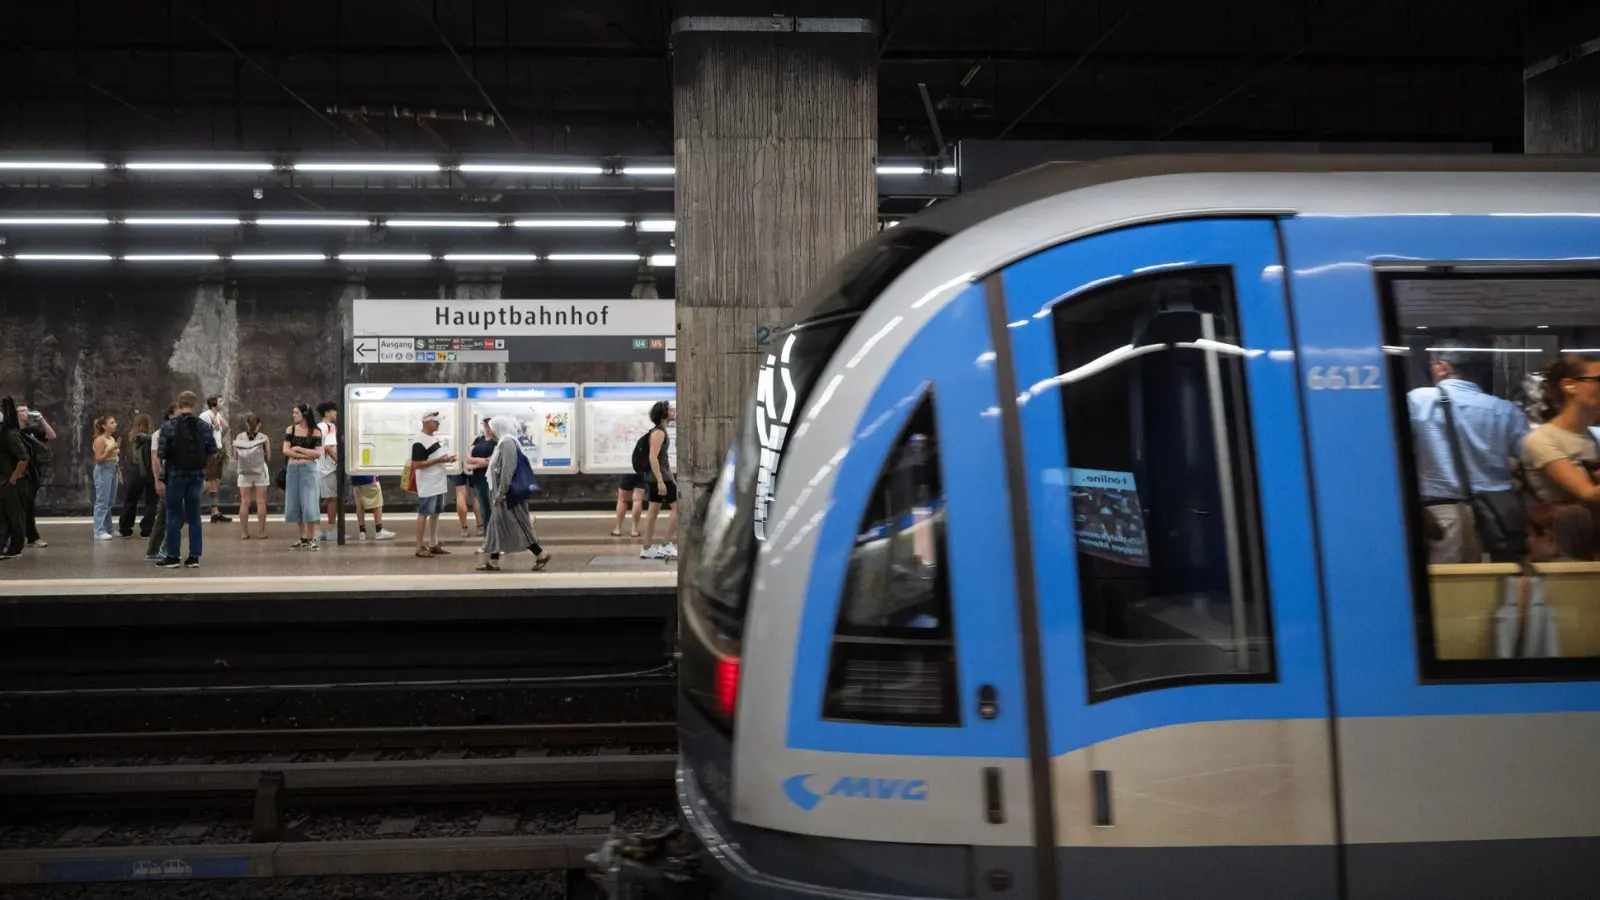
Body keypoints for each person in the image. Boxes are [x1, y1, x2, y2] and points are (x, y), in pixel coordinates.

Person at [1405, 342, 1531, 564]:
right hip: (1498, 516)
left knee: (1452, 582)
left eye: (1432, 363)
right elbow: (1528, 459)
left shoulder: (1417, 401)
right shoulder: (1505, 410)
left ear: (1444, 367)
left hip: (1441, 515)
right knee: (1496, 579)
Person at [1522, 354, 1600, 561]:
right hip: (1562, 552)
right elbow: (1587, 493)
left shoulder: (1590, 437)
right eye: (1597, 380)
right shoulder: (1542, 439)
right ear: (1569, 386)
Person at [476, 415, 551, 572]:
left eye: (492, 428)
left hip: (508, 495)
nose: (490, 431)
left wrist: (501, 493)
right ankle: (493, 561)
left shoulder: (508, 443)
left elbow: (507, 470)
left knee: (517, 525)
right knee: (497, 525)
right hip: (503, 494)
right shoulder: (503, 443)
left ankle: (541, 554)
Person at [153, 391, 217, 569]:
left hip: (175, 475)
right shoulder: (204, 426)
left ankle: (173, 557)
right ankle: (194, 557)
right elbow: (213, 449)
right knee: (194, 516)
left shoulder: (169, 426)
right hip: (196, 475)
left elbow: (161, 453)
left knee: (173, 515)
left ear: (179, 404)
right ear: (194, 405)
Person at [410, 410, 457, 558]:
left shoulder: (432, 438)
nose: (438, 423)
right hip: (428, 484)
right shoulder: (419, 441)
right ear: (426, 422)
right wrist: (439, 460)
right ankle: (419, 546)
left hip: (438, 482)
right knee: (424, 513)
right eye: (435, 421)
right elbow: (417, 464)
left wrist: (446, 460)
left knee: (436, 514)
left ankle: (433, 543)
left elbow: (433, 457)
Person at [639, 400, 679, 560]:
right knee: (679, 508)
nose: (673, 411)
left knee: (653, 511)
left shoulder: (660, 431)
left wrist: (671, 478)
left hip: (660, 476)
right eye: (670, 409)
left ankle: (647, 548)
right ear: (663, 414)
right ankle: (666, 544)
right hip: (659, 477)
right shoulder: (659, 433)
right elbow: (653, 458)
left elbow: (663, 458)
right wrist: (661, 481)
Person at [282, 403, 324, 550]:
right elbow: (286, 450)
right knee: (295, 503)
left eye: (296, 413)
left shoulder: (315, 432)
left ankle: (312, 538)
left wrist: (299, 449)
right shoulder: (291, 429)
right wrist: (306, 455)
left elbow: (318, 453)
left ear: (304, 414)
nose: (293, 415)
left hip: (308, 470)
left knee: (309, 503)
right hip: (293, 469)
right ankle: (303, 538)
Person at [14, 404, 53, 549]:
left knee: (28, 505)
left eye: (27, 410)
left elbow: (51, 435)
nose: (26, 412)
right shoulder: (10, 432)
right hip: (14, 473)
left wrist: (41, 420)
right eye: (22, 410)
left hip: (31, 473)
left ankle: (32, 537)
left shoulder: (31, 430)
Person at [0, 397, 30, 561]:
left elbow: (24, 458)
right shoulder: (5, 433)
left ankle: (15, 547)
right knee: (4, 516)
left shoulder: (11, 434)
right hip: (5, 481)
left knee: (14, 516)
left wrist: (13, 478)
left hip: (13, 482)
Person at [233, 413, 272, 540]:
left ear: (246, 424)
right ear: (259, 424)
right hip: (260, 471)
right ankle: (261, 532)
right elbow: (268, 457)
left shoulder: (239, 437)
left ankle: (244, 533)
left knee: (244, 502)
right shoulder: (264, 437)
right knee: (261, 501)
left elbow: (235, 457)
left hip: (244, 472)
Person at [120, 413, 158, 539]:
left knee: (130, 501)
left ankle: (125, 529)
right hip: (151, 472)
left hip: (134, 473)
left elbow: (124, 456)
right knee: (151, 502)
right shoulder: (153, 438)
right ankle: (146, 530)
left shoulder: (129, 438)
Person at [145, 405, 176, 561]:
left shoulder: (180, 432)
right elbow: (155, 459)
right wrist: (158, 481)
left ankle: (159, 549)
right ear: (170, 415)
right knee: (166, 515)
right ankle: (160, 549)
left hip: (177, 478)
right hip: (169, 478)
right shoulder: (159, 434)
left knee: (169, 514)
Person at [198, 395, 231, 523]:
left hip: (217, 450)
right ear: (214, 403)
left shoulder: (217, 415)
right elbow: (200, 432)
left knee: (215, 481)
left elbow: (226, 426)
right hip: (210, 452)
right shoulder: (205, 416)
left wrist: (219, 438)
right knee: (209, 481)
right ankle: (187, 502)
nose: (223, 403)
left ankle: (215, 511)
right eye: (220, 401)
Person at [464, 417, 495, 552]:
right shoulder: (478, 440)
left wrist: (474, 464)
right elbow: (468, 458)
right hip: (479, 480)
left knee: (494, 512)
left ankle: (497, 542)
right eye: (485, 423)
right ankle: (487, 541)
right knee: (485, 511)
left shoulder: (498, 441)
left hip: (492, 480)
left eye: (489, 423)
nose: (487, 426)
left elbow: (493, 461)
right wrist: (481, 461)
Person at [90, 414, 120, 541]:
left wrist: (118, 472)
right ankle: (98, 530)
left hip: (113, 469)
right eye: (112, 423)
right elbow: (98, 459)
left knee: (110, 501)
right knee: (102, 501)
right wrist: (109, 450)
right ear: (104, 426)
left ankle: (109, 528)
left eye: (114, 422)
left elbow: (114, 457)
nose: (115, 424)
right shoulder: (100, 440)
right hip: (104, 470)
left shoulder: (111, 438)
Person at [314, 402, 341, 543]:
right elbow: (329, 447)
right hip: (328, 469)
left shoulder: (317, 427)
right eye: (333, 411)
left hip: (317, 467)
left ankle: (316, 531)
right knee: (332, 499)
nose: (335, 414)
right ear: (327, 413)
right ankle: (331, 531)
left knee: (316, 500)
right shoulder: (331, 427)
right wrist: (339, 461)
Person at [350, 473, 395, 540]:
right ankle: (379, 530)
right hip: (369, 477)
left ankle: (362, 532)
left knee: (359, 504)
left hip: (355, 479)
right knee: (377, 502)